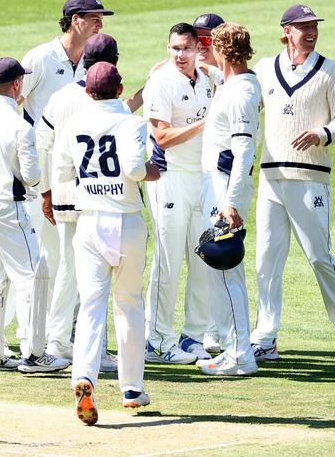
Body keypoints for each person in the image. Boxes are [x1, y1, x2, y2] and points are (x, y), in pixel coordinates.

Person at [250, 4, 335, 361]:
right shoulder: (265, 69)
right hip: (271, 178)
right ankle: (265, 336)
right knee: (266, 260)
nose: (310, 32)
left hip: (310, 179)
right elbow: (245, 103)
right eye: (302, 27)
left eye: (314, 26)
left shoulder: (330, 72)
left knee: (319, 257)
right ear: (285, 31)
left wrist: (322, 132)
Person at [54, 62, 160, 425]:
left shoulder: (74, 124)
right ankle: (131, 388)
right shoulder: (132, 123)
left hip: (89, 221)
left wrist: (93, 181)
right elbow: (134, 169)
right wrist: (153, 170)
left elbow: (62, 173)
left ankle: (84, 375)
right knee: (129, 303)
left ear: (88, 92)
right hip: (126, 221)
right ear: (120, 90)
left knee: (91, 306)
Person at [0, 57, 70, 373]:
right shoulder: (21, 126)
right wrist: (19, 180)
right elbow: (34, 176)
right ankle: (34, 355)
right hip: (9, 208)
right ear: (17, 84)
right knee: (35, 276)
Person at [20, 0, 114, 326]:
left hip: (76, 179)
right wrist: (36, 177)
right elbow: (13, 100)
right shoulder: (42, 58)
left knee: (72, 258)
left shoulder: (95, 66)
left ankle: (66, 332)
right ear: (76, 20)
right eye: (95, 17)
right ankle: (31, 334)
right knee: (44, 257)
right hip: (40, 175)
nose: (100, 23)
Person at [36, 33, 122, 372]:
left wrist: (46, 191)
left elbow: (42, 141)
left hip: (64, 193)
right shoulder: (99, 98)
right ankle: (85, 348)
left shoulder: (61, 96)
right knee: (89, 275)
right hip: (94, 197)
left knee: (70, 270)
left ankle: (60, 340)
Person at [142, 23, 214, 365]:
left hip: (201, 178)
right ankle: (156, 340)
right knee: (167, 261)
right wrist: (205, 123)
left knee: (202, 259)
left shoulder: (209, 78)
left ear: (197, 47)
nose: (180, 55)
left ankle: (193, 337)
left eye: (185, 48)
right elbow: (163, 137)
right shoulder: (161, 82)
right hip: (168, 179)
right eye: (174, 48)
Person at [196, 22, 261, 376]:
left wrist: (231, 201)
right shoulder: (235, 84)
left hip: (226, 189)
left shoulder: (240, 94)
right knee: (221, 271)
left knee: (228, 268)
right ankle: (232, 347)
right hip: (220, 187)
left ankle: (241, 356)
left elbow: (244, 150)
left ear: (222, 50)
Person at [192, 12, 226, 354]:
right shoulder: (186, 75)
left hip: (220, 178)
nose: (201, 45)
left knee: (218, 251)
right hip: (189, 177)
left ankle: (219, 331)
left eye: (207, 39)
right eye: (196, 37)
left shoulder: (232, 81)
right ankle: (203, 330)